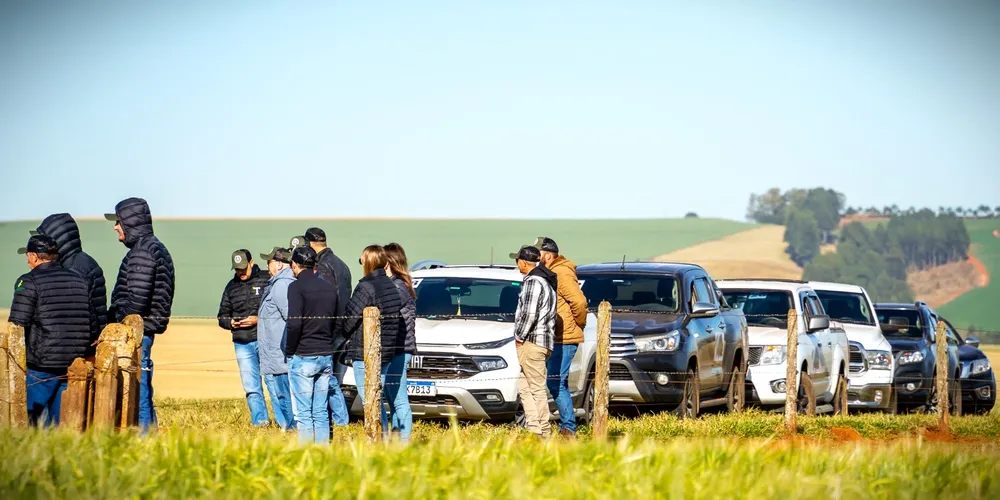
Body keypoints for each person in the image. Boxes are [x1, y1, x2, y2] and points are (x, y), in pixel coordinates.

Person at [8, 235, 95, 427]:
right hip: (73, 363)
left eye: (28, 256)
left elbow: (17, 324)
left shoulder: (28, 281)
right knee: (62, 421)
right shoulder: (79, 279)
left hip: (41, 364)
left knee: (34, 421)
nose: (27, 261)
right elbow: (92, 320)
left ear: (34, 256)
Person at [105, 197, 175, 433]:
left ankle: (144, 437)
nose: (115, 227)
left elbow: (136, 300)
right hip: (146, 329)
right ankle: (150, 433)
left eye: (118, 222)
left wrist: (115, 321)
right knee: (142, 383)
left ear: (130, 222)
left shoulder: (142, 252)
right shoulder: (153, 247)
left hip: (136, 332)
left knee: (137, 387)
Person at [339, 245, 406, 442]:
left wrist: (344, 333)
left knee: (370, 401)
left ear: (368, 262)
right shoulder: (391, 286)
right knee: (376, 398)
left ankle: (377, 440)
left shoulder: (366, 287)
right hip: (386, 351)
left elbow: (350, 318)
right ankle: (382, 438)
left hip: (365, 352)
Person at [284, 246, 339, 445]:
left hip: (304, 354)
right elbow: (335, 322)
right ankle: (323, 452)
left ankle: (307, 454)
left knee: (304, 413)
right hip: (325, 353)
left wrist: (290, 350)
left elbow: (294, 324)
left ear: (295, 265)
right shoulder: (330, 288)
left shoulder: (295, 288)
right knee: (321, 411)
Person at [32, 213, 108, 355]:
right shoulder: (80, 261)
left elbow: (82, 311)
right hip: (85, 342)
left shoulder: (73, 269)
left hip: (80, 346)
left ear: (56, 239)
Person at [534, 237, 588, 438]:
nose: (536, 257)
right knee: (558, 382)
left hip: (564, 336)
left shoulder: (561, 272)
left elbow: (579, 302)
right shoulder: (553, 271)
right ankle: (567, 427)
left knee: (555, 382)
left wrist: (578, 325)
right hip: (559, 335)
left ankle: (568, 428)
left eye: (538, 254)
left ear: (548, 255)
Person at [302, 227, 353, 427]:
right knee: (331, 376)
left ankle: (336, 419)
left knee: (326, 377)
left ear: (309, 244)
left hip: (329, 328)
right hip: (343, 327)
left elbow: (324, 300)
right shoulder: (342, 264)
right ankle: (338, 418)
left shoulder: (322, 266)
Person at [217, 249, 272, 426]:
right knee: (251, 387)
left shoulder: (267, 279)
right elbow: (222, 316)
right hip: (242, 343)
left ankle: (285, 422)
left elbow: (277, 309)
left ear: (251, 263)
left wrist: (258, 319)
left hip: (266, 340)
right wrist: (231, 323)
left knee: (274, 382)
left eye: (243, 267)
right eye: (237, 269)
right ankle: (261, 422)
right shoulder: (231, 287)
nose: (240, 272)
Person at [509, 245, 557, 439]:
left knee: (535, 388)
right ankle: (534, 428)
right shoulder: (545, 281)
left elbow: (529, 314)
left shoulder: (533, 282)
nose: (517, 265)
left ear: (523, 262)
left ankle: (543, 431)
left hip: (532, 342)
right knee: (525, 387)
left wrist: (519, 337)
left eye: (517, 261)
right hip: (543, 341)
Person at [257, 247, 296, 431]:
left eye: (269, 262)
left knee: (284, 394)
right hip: (277, 351)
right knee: (282, 393)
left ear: (279, 264)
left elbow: (290, 317)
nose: (267, 266)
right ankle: (289, 427)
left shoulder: (281, 285)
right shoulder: (280, 283)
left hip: (280, 353)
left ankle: (292, 430)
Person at [383, 242, 417, 442]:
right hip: (399, 347)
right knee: (392, 398)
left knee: (399, 399)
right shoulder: (401, 284)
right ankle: (397, 438)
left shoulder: (397, 287)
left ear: (388, 262)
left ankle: (403, 441)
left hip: (399, 348)